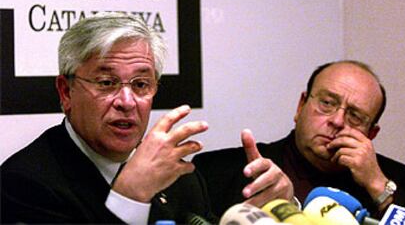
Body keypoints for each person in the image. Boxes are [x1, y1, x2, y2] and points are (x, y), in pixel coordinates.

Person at [1, 12, 288, 224]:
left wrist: (274, 211)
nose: (127, 102)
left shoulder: (177, 175)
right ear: (66, 92)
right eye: (106, 83)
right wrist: (128, 199)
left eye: (140, 85)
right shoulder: (23, 184)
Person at [193, 60, 405, 218]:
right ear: (301, 106)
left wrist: (378, 186)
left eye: (355, 116)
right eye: (327, 103)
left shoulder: (393, 178)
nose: (337, 121)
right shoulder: (217, 172)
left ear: (371, 134)